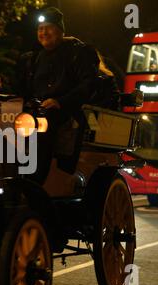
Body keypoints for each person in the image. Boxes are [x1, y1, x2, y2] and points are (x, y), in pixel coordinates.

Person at [17, 7, 100, 174]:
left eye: (49, 28)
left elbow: (88, 84)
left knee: (43, 126)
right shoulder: (33, 58)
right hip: (34, 111)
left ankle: (35, 179)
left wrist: (60, 102)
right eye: (40, 29)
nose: (44, 32)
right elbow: (24, 88)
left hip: (66, 111)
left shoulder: (79, 52)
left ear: (61, 31)